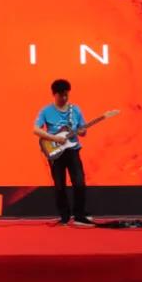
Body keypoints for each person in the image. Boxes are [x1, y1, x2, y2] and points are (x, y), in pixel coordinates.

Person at [33, 79, 93, 227]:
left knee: (79, 182)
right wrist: (54, 138)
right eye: (61, 95)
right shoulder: (46, 111)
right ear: (54, 94)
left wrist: (82, 131)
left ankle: (79, 215)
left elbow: (83, 131)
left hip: (73, 150)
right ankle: (64, 217)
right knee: (59, 185)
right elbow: (36, 129)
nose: (64, 98)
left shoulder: (75, 110)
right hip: (55, 152)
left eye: (66, 94)